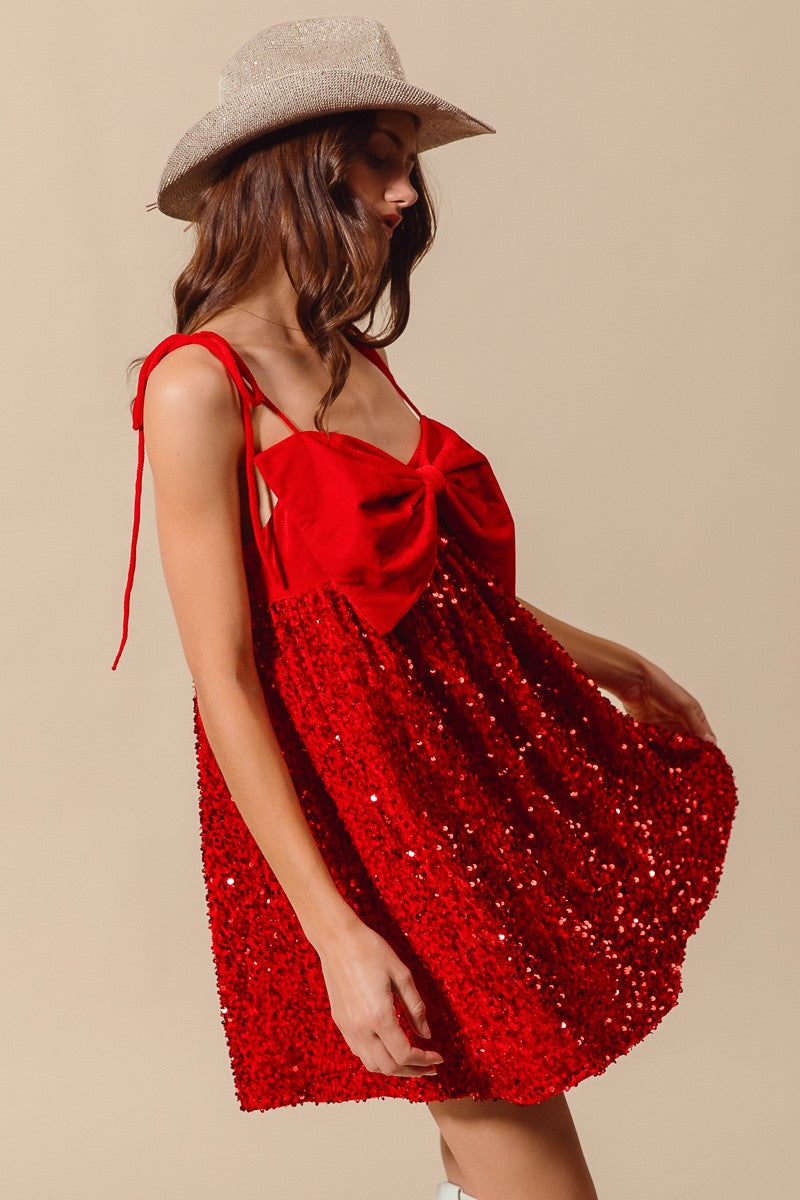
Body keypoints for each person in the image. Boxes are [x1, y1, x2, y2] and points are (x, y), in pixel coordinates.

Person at [113, 16, 738, 1200]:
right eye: (380, 159)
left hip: (465, 780)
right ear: (296, 164)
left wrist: (612, 662)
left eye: (407, 164)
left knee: (486, 1117)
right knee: (504, 1113)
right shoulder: (198, 385)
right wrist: (333, 930)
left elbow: (430, 595)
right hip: (366, 817)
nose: (405, 193)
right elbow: (225, 676)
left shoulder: (350, 354)